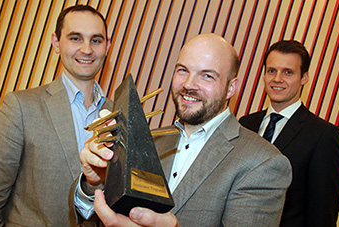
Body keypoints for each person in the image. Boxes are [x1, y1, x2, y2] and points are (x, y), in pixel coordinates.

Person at [72, 33, 293, 226]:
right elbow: (94, 219)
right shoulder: (151, 142)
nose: (188, 84)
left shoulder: (263, 163)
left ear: (230, 88)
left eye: (207, 75)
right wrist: (94, 183)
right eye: (182, 70)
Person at [0, 5, 112, 226]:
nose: (86, 49)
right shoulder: (20, 107)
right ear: (56, 42)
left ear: (107, 46)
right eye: (76, 38)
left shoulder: (122, 114)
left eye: (96, 40)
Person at [239, 40, 339, 227]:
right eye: (271, 70)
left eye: (288, 72)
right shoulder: (246, 124)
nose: (277, 79)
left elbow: (322, 215)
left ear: (304, 78)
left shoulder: (323, 135)